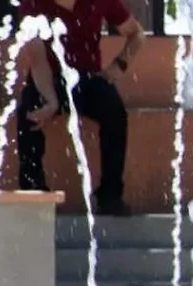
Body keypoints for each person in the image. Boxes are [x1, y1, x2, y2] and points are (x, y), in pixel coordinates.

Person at [16, 0, 145, 216]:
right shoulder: (33, 3)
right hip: (49, 78)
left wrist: (118, 66)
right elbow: (37, 58)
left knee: (114, 111)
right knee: (28, 110)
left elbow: (137, 35)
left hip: (87, 78)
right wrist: (51, 100)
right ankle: (33, 192)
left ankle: (110, 195)